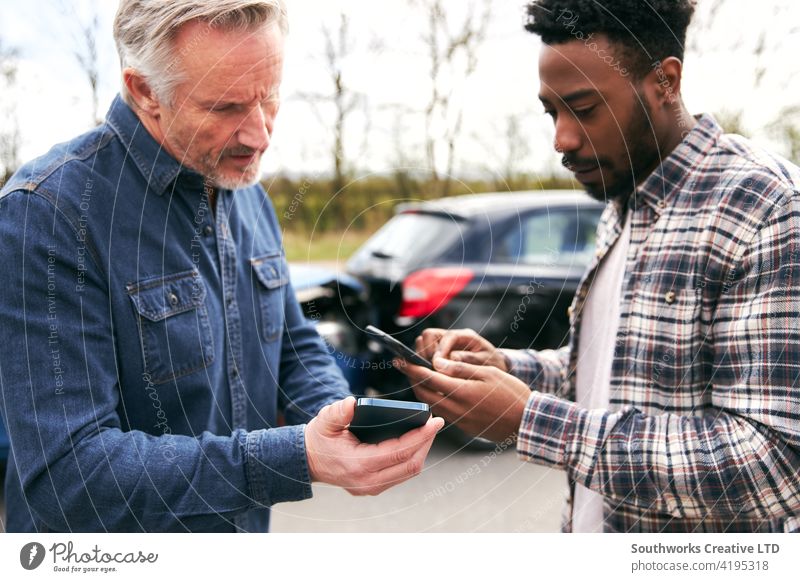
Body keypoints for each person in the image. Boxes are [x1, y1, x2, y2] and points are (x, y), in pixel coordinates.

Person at [0, 0, 442, 533]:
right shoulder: (48, 212)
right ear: (145, 92)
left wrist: (341, 420)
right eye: (226, 107)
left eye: (270, 95)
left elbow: (292, 345)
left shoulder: (246, 191)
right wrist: (297, 457)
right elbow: (69, 480)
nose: (259, 135)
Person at [402, 0, 800, 533]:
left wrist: (529, 419)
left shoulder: (766, 207)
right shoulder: (623, 201)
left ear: (665, 81)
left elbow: (772, 463)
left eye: (585, 109)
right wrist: (505, 371)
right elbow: (614, 378)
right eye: (552, 111)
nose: (561, 140)